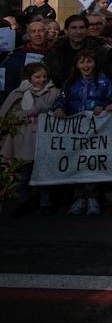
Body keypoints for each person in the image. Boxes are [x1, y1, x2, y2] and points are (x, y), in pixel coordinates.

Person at [53, 50, 112, 216]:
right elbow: (62, 98)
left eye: (89, 62)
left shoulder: (103, 81)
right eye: (82, 62)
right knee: (77, 162)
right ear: (76, 65)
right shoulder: (70, 82)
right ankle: (79, 197)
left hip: (96, 129)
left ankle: (93, 197)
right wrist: (59, 107)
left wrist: (102, 106)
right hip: (75, 129)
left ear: (94, 63)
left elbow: (111, 99)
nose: (86, 65)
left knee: (92, 162)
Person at [0, 62, 60, 216]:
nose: (42, 80)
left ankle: (45, 202)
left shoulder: (54, 92)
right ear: (29, 78)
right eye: (37, 77)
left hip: (44, 139)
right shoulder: (18, 94)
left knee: (44, 172)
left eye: (44, 77)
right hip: (24, 140)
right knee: (24, 174)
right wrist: (33, 111)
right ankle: (23, 202)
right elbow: (8, 115)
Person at [43, 15, 109, 86]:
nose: (78, 32)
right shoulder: (55, 51)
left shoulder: (99, 51)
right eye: (74, 28)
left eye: (82, 28)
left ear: (87, 30)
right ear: (66, 31)